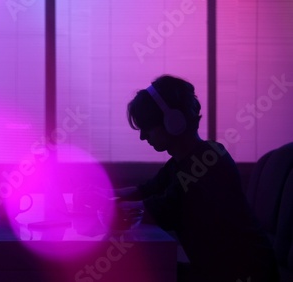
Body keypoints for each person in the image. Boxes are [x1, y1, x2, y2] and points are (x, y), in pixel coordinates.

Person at [118, 75, 279, 281]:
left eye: (147, 127)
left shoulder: (207, 161)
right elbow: (145, 189)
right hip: (218, 271)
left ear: (172, 121)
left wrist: (105, 207)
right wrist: (104, 194)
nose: (142, 136)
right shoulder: (182, 160)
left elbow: (160, 209)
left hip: (246, 274)